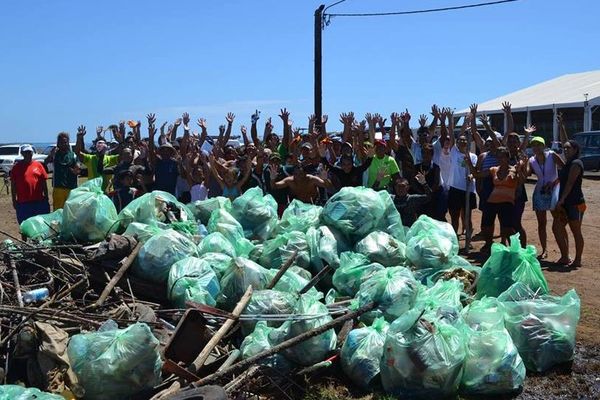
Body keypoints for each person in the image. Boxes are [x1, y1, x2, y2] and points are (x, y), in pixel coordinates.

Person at [467, 147, 526, 249]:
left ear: (508, 158)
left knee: (508, 229)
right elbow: (477, 174)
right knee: (486, 226)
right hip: (492, 202)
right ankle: (489, 246)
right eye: (499, 157)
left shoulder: (514, 169)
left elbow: (521, 181)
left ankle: (517, 249)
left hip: (507, 203)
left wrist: (519, 170)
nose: (500, 159)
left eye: (503, 156)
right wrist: (469, 164)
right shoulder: (493, 170)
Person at [554, 114, 585, 268]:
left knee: (575, 230)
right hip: (565, 202)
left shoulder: (576, 163)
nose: (565, 149)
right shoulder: (568, 162)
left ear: (575, 149)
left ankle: (578, 259)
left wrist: (561, 200)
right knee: (557, 227)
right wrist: (561, 126)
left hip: (575, 203)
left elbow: (570, 184)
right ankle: (565, 256)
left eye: (568, 148)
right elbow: (565, 140)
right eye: (564, 148)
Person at [528, 136, 564, 259]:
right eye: (533, 145)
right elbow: (526, 173)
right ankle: (544, 250)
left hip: (554, 191)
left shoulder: (552, 155)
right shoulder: (531, 160)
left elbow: (565, 170)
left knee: (558, 221)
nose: (536, 147)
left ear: (544, 146)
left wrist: (554, 183)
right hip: (540, 192)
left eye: (539, 145)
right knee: (541, 223)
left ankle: (563, 251)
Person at [445, 115, 477, 236]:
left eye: (465, 140)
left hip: (468, 189)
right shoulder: (454, 152)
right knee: (454, 216)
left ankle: (468, 238)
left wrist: (471, 176)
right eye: (460, 140)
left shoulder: (473, 156)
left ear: (468, 142)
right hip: (455, 189)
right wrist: (462, 122)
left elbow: (474, 171)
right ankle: (455, 239)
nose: (463, 141)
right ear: (457, 143)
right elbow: (453, 135)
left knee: (467, 216)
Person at [11, 145, 50, 223]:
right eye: (26, 152)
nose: (28, 154)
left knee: (40, 223)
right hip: (23, 202)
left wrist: (46, 197)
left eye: (29, 152)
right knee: (24, 225)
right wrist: (14, 200)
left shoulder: (38, 165)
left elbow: (44, 183)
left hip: (38, 201)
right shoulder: (16, 168)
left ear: (32, 153)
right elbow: (13, 186)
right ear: (22, 153)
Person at [75, 125, 119, 191]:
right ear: (95, 147)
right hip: (93, 192)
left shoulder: (110, 159)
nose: (101, 146)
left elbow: (123, 155)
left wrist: (120, 139)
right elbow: (78, 152)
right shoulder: (90, 158)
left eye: (103, 144)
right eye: (99, 144)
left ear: (106, 147)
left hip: (107, 193)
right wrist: (79, 138)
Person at [44, 132, 79, 210]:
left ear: (68, 142)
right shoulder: (55, 154)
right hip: (58, 188)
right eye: (61, 142)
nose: (63, 144)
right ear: (58, 143)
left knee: (71, 212)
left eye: (65, 142)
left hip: (71, 188)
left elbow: (78, 169)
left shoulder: (73, 155)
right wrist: (51, 155)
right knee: (58, 213)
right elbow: (45, 163)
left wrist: (75, 171)